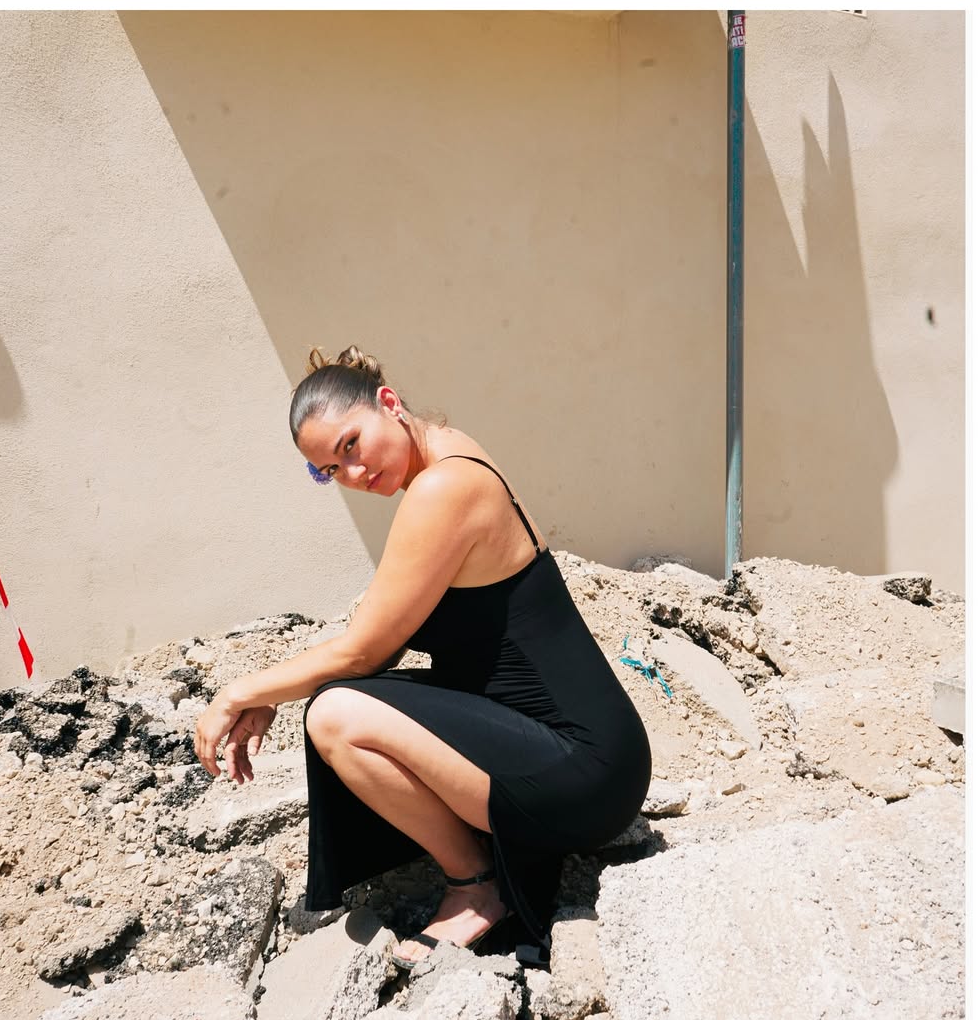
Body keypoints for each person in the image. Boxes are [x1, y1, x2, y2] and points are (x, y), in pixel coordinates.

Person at [194, 346, 651, 968]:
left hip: (586, 771)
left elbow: (364, 651)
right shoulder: (448, 452)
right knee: (345, 699)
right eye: (330, 470)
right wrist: (275, 690)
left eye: (351, 445)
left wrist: (241, 692)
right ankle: (480, 863)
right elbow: (378, 641)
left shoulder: (443, 488)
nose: (353, 473)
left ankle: (477, 886)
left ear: (388, 403)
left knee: (334, 715)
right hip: (583, 750)